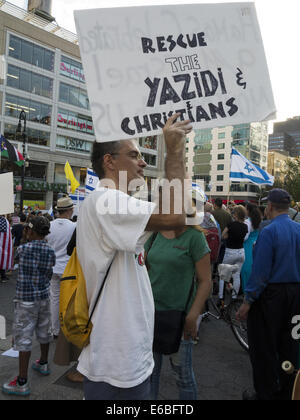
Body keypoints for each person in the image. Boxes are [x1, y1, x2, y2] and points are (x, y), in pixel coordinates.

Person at [76, 114, 192, 400]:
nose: (142, 162)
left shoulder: (115, 202)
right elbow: (177, 217)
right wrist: (174, 150)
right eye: (134, 154)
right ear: (109, 161)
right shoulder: (106, 200)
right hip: (117, 365)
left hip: (124, 358)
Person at [145, 194, 211, 400]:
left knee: (183, 375)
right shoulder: (153, 235)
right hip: (150, 315)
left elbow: (206, 281)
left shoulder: (194, 237)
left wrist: (193, 315)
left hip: (180, 317)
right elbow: (144, 269)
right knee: (149, 374)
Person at [237, 189, 300, 400]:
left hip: (272, 295)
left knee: (263, 347)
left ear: (270, 207)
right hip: (296, 295)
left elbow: (261, 271)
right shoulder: (299, 229)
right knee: (289, 346)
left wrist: (248, 301)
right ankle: (287, 390)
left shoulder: (269, 231)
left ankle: (265, 393)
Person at [2, 217, 56, 397]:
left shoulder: (24, 249)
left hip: (25, 299)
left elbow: (15, 262)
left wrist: (25, 239)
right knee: (44, 331)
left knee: (23, 337)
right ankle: (43, 363)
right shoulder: (50, 250)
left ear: (30, 231)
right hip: (43, 297)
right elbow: (49, 272)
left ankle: (22, 381)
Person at [46, 196, 76, 337]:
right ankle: (67, 330)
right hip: (68, 269)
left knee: (54, 299)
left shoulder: (49, 226)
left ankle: (54, 329)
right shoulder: (74, 227)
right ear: (70, 210)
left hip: (52, 267)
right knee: (69, 300)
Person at [219, 205, 248, 301]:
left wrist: (229, 236)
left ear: (236, 214)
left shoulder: (231, 225)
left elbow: (223, 235)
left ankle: (221, 297)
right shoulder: (245, 226)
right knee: (236, 275)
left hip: (230, 252)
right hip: (241, 252)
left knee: (223, 276)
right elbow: (243, 238)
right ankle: (234, 298)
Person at [241, 203, 262, 291]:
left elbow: (245, 237)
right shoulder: (258, 219)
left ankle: (246, 289)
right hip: (256, 242)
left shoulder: (247, 221)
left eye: (245, 209)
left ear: (248, 211)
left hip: (248, 245)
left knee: (245, 269)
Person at [0, 215, 13, 283]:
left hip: (3, 244)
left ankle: (3, 276)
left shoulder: (4, 220)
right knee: (2, 258)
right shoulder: (4, 220)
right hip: (3, 245)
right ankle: (3, 276)